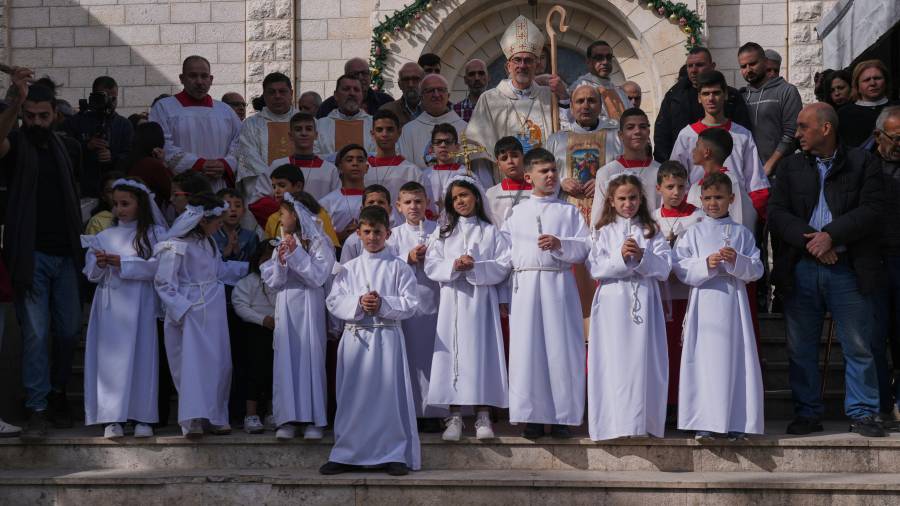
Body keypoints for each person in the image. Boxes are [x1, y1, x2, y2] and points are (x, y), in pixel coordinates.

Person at [768, 103, 886, 437]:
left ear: (826, 129)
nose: (798, 133)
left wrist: (832, 237)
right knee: (800, 347)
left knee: (858, 344)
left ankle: (864, 413)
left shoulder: (863, 163)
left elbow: (873, 210)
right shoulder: (791, 167)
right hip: (802, 268)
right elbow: (777, 213)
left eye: (804, 127)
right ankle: (807, 413)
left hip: (847, 268)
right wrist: (814, 243)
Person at [0, 71, 84, 438]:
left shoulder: (68, 148)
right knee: (35, 333)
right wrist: (14, 101)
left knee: (67, 331)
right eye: (29, 116)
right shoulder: (16, 144)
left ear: (55, 115)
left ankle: (57, 392)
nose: (35, 122)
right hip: (29, 255)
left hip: (66, 254)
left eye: (42, 116)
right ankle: (36, 406)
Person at [321, 205, 420, 476]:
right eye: (367, 232)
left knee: (388, 398)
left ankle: (393, 454)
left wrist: (383, 303)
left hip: (386, 337)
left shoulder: (399, 267)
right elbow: (333, 300)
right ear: (359, 233)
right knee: (352, 397)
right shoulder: (348, 268)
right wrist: (358, 302)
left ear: (387, 233)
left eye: (377, 232)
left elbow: (411, 303)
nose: (372, 237)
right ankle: (345, 453)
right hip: (356, 338)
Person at [502, 148, 590, 438]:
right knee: (529, 351)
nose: (551, 175)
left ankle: (563, 417)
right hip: (525, 286)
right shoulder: (516, 213)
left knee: (561, 349)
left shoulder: (569, 211)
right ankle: (533, 418)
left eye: (553, 170)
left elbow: (585, 247)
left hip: (559, 283)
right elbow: (504, 253)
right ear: (528, 177)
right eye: (544, 171)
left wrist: (560, 244)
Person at [673, 172, 765, 440]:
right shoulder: (693, 232)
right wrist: (706, 264)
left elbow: (756, 268)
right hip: (704, 300)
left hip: (733, 301)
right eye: (709, 198)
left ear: (731, 199)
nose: (713, 203)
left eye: (719, 197)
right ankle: (705, 421)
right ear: (701, 199)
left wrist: (737, 261)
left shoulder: (742, 233)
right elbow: (680, 266)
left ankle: (737, 420)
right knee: (704, 361)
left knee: (737, 358)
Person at [154, 193, 249, 438]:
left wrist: (252, 268)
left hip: (213, 310)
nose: (221, 224)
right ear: (202, 220)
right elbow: (164, 283)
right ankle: (192, 418)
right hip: (190, 310)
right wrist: (183, 309)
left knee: (218, 363)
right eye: (217, 220)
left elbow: (219, 271)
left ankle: (216, 415)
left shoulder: (209, 243)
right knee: (190, 365)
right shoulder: (175, 244)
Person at [425, 176, 511, 441]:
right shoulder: (442, 232)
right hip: (453, 300)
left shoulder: (490, 231)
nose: (460, 201)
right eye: (455, 198)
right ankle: (455, 415)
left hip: (481, 301)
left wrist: (476, 266)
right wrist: (453, 265)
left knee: (481, 353)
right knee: (453, 354)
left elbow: (504, 264)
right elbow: (431, 264)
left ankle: (483, 414)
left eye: (464, 195)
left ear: (476, 196)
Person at [586, 174, 671, 441]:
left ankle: (641, 422)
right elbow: (596, 267)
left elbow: (666, 268)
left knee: (642, 361)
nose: (628, 203)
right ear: (611, 201)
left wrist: (643, 257)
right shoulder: (602, 231)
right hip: (612, 301)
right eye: (622, 198)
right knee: (613, 361)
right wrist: (620, 258)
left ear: (641, 199)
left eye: (633, 197)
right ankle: (613, 423)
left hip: (645, 300)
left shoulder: (651, 230)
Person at [82, 178, 167, 439]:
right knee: (111, 361)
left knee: (143, 356)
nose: (119, 209)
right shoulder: (103, 236)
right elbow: (91, 274)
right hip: (111, 305)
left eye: (125, 204)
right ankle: (112, 417)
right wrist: (100, 263)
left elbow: (159, 267)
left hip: (141, 303)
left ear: (140, 204)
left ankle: (143, 416)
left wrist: (124, 263)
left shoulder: (155, 234)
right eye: (116, 204)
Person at [262, 191, 335, 440]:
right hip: (286, 305)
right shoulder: (283, 239)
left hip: (310, 305)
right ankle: (287, 418)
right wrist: (282, 262)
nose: (280, 219)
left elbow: (317, 277)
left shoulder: (319, 242)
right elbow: (273, 281)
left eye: (282, 213)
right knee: (286, 361)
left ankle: (314, 418)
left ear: (295, 214)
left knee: (310, 359)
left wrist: (295, 254)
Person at [670, 70, 769, 232]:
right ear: (699, 98)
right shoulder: (687, 135)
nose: (711, 98)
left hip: (738, 211)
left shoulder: (742, 134)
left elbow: (756, 181)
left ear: (726, 95)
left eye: (716, 93)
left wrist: (759, 218)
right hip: (696, 211)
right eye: (705, 93)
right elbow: (675, 179)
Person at [465, 16, 568, 161]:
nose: (522, 65)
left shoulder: (548, 96)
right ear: (508, 66)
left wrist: (563, 96)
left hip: (543, 177)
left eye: (528, 60)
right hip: (505, 180)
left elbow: (566, 133)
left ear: (536, 65)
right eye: (517, 60)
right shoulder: (490, 99)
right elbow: (478, 148)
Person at [388, 181, 446, 433]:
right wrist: (407, 259)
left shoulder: (440, 231)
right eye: (408, 202)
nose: (414, 207)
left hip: (435, 301)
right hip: (406, 307)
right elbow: (386, 267)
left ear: (428, 204)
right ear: (398, 206)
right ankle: (409, 409)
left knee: (434, 358)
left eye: (418, 201)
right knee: (409, 359)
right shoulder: (392, 236)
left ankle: (434, 411)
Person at [652, 161, 704, 415]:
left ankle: (687, 404)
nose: (676, 192)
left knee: (686, 350)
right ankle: (665, 403)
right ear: (658, 187)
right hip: (660, 295)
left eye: (681, 187)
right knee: (664, 350)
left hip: (689, 295)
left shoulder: (699, 217)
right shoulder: (651, 218)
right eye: (670, 187)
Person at [149, 56, 242, 192]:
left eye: (204, 76)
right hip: (183, 188)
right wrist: (198, 164)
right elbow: (162, 144)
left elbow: (240, 142)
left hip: (219, 187)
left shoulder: (225, 111)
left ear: (211, 80)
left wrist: (225, 164)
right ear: (182, 78)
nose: (199, 82)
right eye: (193, 76)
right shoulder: (164, 108)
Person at [653, 47, 752, 162]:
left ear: (712, 66)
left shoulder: (732, 96)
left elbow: (742, 132)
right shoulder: (674, 97)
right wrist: (666, 168)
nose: (693, 70)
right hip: (684, 166)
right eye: (690, 66)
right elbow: (662, 136)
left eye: (699, 65)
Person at [546, 84, 622, 222]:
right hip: (567, 212)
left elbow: (626, 174)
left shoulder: (616, 137)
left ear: (600, 106)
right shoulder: (557, 139)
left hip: (607, 213)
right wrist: (561, 182)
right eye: (580, 101)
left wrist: (604, 183)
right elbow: (543, 176)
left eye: (591, 101)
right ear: (571, 106)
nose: (585, 106)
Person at [237, 72, 300, 217]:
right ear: (264, 96)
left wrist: (294, 188)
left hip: (300, 192)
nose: (277, 96)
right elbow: (250, 160)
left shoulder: (305, 121)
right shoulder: (251, 124)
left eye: (282, 91)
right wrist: (278, 188)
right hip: (264, 195)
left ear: (291, 93)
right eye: (272, 92)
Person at [231, 241, 277, 434]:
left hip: (278, 330)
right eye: (265, 258)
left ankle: (272, 412)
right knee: (255, 372)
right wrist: (262, 319)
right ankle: (251, 414)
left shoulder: (282, 283)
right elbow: (240, 304)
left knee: (275, 372)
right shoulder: (248, 282)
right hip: (256, 332)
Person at [738, 42, 803, 177]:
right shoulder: (741, 96)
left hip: (780, 174)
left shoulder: (787, 91)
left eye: (753, 64)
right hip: (747, 176)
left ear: (765, 62)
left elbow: (791, 133)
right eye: (743, 66)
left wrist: (769, 165)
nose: (748, 69)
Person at [64, 76, 134, 198]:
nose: (110, 102)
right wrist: (86, 146)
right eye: (105, 97)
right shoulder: (76, 122)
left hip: (113, 192)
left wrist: (112, 157)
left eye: (114, 98)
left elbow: (130, 156)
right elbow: (66, 153)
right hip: (83, 188)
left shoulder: (124, 125)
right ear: (94, 97)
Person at [873, 106, 900, 424]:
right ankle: (880, 402)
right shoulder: (863, 165)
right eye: (895, 137)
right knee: (874, 337)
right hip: (876, 261)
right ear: (878, 136)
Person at [590, 107, 658, 225]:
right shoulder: (606, 173)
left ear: (648, 132)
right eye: (630, 127)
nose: (637, 131)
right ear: (620, 135)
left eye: (642, 127)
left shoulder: (661, 171)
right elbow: (598, 219)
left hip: (654, 236)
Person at [264, 112, 341, 210]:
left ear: (316, 135)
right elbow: (262, 198)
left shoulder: (330, 170)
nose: (303, 133)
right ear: (290, 135)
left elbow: (337, 203)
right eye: (298, 129)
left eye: (308, 129)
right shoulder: (278, 165)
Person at [398, 74, 468, 169]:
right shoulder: (408, 131)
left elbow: (469, 167)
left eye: (441, 90)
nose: (436, 95)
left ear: (448, 95)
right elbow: (406, 169)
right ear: (421, 97)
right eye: (430, 91)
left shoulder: (465, 129)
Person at [263, 164, 339, 246]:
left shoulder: (318, 215)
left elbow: (332, 247)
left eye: (282, 185)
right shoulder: (273, 219)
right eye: (274, 187)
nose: (276, 191)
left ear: (298, 186)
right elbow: (268, 251)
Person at [366, 110, 424, 205]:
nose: (384, 134)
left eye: (390, 129)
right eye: (379, 130)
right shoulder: (363, 169)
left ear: (399, 132)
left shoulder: (412, 171)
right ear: (372, 134)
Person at [838, 60, 899, 148]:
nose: (873, 83)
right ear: (857, 86)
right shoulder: (845, 114)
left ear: (886, 81)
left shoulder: (897, 109)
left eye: (877, 78)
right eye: (866, 80)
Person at [568, 40, 632, 121]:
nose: (605, 62)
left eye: (608, 57)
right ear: (588, 62)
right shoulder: (579, 88)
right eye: (599, 58)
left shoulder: (619, 92)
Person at [315, 75, 377, 156]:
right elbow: (315, 156)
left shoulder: (375, 125)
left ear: (362, 96)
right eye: (346, 89)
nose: (352, 93)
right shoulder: (320, 126)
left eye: (356, 90)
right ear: (336, 95)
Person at [320, 144, 369, 246]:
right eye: (349, 160)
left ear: (366, 167)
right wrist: (340, 236)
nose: (355, 163)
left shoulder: (376, 198)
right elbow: (319, 237)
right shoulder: (326, 202)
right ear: (340, 167)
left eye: (360, 160)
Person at [120, 122, 172, 219]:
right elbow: (171, 191)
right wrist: (163, 164)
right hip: (149, 216)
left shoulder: (130, 160)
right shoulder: (153, 165)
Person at [316, 58, 393, 119]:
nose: (360, 77)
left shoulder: (386, 102)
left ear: (370, 76)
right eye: (355, 74)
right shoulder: (327, 107)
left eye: (364, 73)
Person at [340, 185, 394, 263]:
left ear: (390, 209)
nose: (376, 205)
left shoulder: (400, 234)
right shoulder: (353, 241)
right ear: (362, 209)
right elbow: (345, 271)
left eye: (381, 202)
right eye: (371, 202)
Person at [421, 124, 468, 212]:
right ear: (432, 148)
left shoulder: (465, 173)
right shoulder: (425, 175)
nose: (443, 145)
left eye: (448, 141)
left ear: (457, 147)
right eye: (438, 142)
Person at [485, 137, 531, 228]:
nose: (510, 161)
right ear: (499, 165)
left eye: (514, 156)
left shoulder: (537, 188)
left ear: (523, 158)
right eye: (504, 158)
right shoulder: (491, 194)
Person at [213, 189, 258, 262]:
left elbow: (254, 265)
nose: (233, 209)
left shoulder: (251, 237)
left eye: (237, 206)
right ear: (218, 210)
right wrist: (226, 252)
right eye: (227, 206)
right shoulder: (211, 236)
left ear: (244, 211)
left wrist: (237, 252)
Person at [379, 62, 424, 128]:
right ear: (399, 85)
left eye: (415, 79)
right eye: (406, 80)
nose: (410, 84)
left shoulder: (434, 109)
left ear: (424, 83)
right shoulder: (386, 111)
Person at [85, 171, 126, 235]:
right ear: (103, 196)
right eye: (110, 191)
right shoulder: (97, 222)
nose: (116, 195)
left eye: (120, 190)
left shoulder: (138, 218)